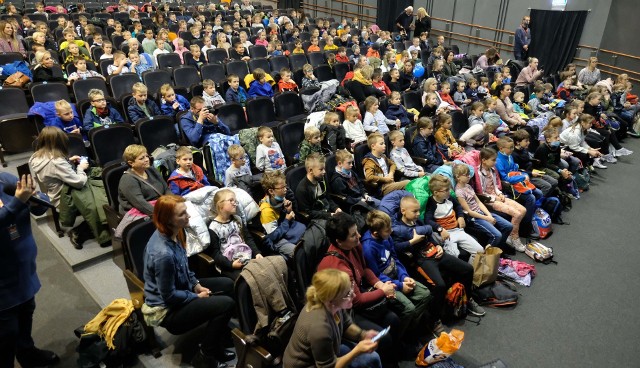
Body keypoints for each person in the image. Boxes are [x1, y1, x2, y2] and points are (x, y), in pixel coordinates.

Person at [143, 195, 235, 368]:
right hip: (168, 310)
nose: (189, 216)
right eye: (182, 214)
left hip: (182, 288)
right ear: (168, 220)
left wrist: (196, 285)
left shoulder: (174, 232)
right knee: (227, 304)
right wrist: (195, 297)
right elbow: (169, 296)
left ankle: (217, 339)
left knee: (228, 284)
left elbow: (184, 267)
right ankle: (205, 356)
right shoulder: (163, 254)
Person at [316, 213, 400, 367]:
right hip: (345, 309)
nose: (359, 236)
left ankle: (395, 355)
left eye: (357, 231)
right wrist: (383, 291)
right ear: (339, 242)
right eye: (353, 235)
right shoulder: (338, 268)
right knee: (384, 338)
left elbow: (364, 269)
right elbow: (357, 301)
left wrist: (379, 285)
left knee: (393, 319)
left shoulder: (355, 245)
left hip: (356, 296)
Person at [391, 196, 483, 333]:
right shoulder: (397, 228)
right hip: (421, 260)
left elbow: (429, 237)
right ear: (403, 211)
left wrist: (437, 246)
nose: (417, 214)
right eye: (414, 211)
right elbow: (396, 248)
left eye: (418, 211)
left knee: (467, 269)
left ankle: (467, 299)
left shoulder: (418, 221)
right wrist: (412, 242)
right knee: (439, 285)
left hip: (435, 252)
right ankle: (433, 320)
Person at [0, 172, 60, 368]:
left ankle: (27, 353)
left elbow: (40, 206)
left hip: (24, 269)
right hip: (2, 283)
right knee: (6, 332)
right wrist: (18, 201)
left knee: (26, 312)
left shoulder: (4, 179)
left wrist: (35, 200)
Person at [283, 269, 381, 368]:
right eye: (347, 294)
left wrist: (363, 335)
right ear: (331, 300)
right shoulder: (319, 328)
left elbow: (346, 325)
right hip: (306, 365)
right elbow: (329, 367)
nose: (354, 295)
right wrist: (357, 351)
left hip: (327, 353)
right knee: (369, 360)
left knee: (373, 358)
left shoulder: (333, 304)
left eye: (351, 289)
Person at [361, 210, 432, 338]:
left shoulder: (387, 238)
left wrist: (404, 276)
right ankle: (399, 339)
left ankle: (411, 331)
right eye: (387, 230)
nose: (391, 232)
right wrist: (400, 285)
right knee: (409, 309)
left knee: (425, 294)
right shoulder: (368, 248)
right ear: (376, 233)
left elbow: (395, 259)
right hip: (386, 283)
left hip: (397, 277)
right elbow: (376, 276)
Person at [29, 126, 102, 248]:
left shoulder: (36, 157)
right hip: (65, 199)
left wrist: (68, 161)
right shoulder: (56, 162)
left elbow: (53, 172)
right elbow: (79, 182)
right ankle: (78, 232)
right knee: (102, 196)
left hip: (54, 193)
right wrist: (80, 168)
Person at [453, 164, 513, 250]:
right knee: (497, 235)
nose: (469, 176)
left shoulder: (468, 186)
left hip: (482, 213)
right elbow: (469, 212)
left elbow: (479, 202)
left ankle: (499, 250)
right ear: (458, 177)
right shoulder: (459, 192)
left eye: (468, 174)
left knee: (508, 226)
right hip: (475, 217)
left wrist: (489, 215)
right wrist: (487, 218)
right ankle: (486, 256)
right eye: (466, 175)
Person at [207, 189, 263, 281]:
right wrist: (231, 264)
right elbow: (215, 254)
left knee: (263, 272)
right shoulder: (213, 227)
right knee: (248, 280)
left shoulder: (237, 219)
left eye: (235, 201)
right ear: (220, 205)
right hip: (228, 264)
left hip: (245, 256)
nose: (235, 203)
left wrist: (257, 253)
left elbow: (248, 239)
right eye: (231, 200)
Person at [258, 171, 306, 258]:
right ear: (271, 191)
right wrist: (287, 220)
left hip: (284, 229)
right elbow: (272, 236)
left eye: (285, 186)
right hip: (277, 240)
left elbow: (284, 219)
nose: (285, 189)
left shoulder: (280, 197)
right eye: (282, 187)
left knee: (307, 234)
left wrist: (288, 211)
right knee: (299, 253)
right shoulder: (266, 211)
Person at [118, 144, 170, 216]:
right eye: (142, 158)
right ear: (131, 163)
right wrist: (161, 214)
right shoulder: (128, 180)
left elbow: (166, 189)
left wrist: (172, 203)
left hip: (161, 206)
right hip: (144, 213)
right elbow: (140, 204)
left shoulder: (152, 170)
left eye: (147, 156)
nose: (147, 159)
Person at [296, 153, 342, 220]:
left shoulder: (321, 178)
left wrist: (335, 208)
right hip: (318, 219)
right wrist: (329, 215)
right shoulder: (302, 189)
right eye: (321, 169)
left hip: (328, 212)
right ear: (310, 170)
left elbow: (328, 198)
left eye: (324, 169)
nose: (324, 172)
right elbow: (309, 213)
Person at [362, 133, 410, 197]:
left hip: (390, 183)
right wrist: (385, 179)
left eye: (384, 143)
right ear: (373, 146)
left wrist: (391, 173)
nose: (384, 145)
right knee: (408, 183)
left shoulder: (382, 156)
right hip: (382, 188)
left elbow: (393, 164)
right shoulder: (369, 161)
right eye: (381, 144)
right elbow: (369, 177)